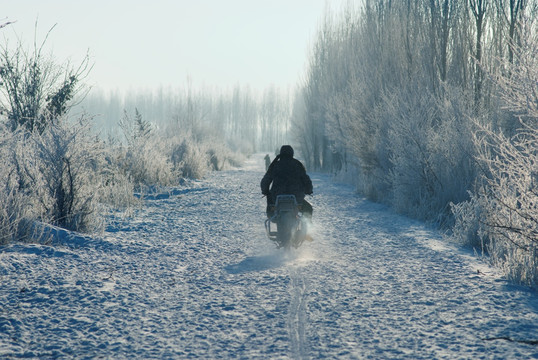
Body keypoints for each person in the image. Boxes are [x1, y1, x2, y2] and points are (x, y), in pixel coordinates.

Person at [260, 145, 313, 219]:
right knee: (308, 209)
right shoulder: (298, 164)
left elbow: (266, 179)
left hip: (277, 197)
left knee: (270, 207)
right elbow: (306, 179)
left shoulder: (275, 165)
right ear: (292, 153)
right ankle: (307, 226)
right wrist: (309, 190)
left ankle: (272, 216)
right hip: (296, 197)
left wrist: (265, 191)